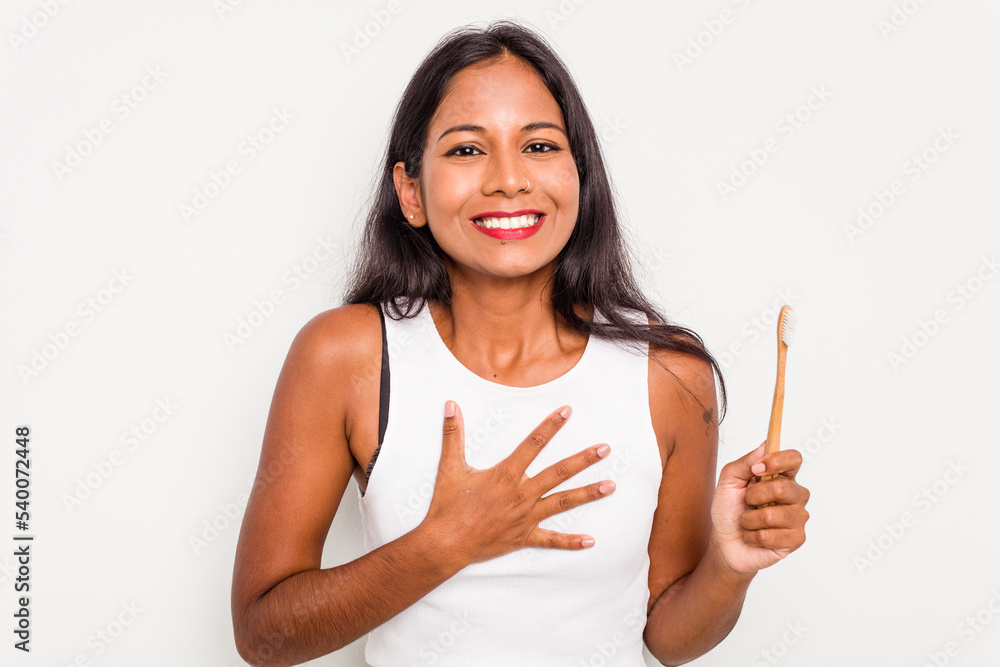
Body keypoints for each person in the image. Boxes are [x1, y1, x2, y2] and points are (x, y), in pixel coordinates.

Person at [230, 19, 809, 667]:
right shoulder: (344, 356)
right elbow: (263, 634)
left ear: (578, 177)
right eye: (466, 150)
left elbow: (666, 638)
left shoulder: (669, 372)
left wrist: (730, 564)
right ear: (411, 192)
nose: (509, 179)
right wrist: (445, 542)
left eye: (538, 146)